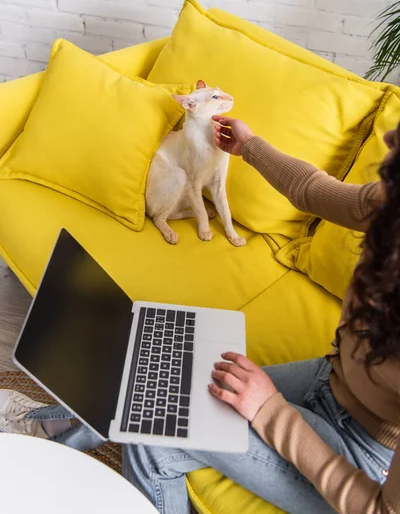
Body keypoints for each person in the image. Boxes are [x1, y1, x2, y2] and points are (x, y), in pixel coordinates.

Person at [1, 116, 399, 514]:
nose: (389, 137)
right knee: (158, 372)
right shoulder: (390, 206)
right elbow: (314, 190)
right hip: (329, 378)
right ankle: (47, 425)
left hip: (362, 459)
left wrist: (269, 410)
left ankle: (50, 431)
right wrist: (249, 146)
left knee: (152, 435)